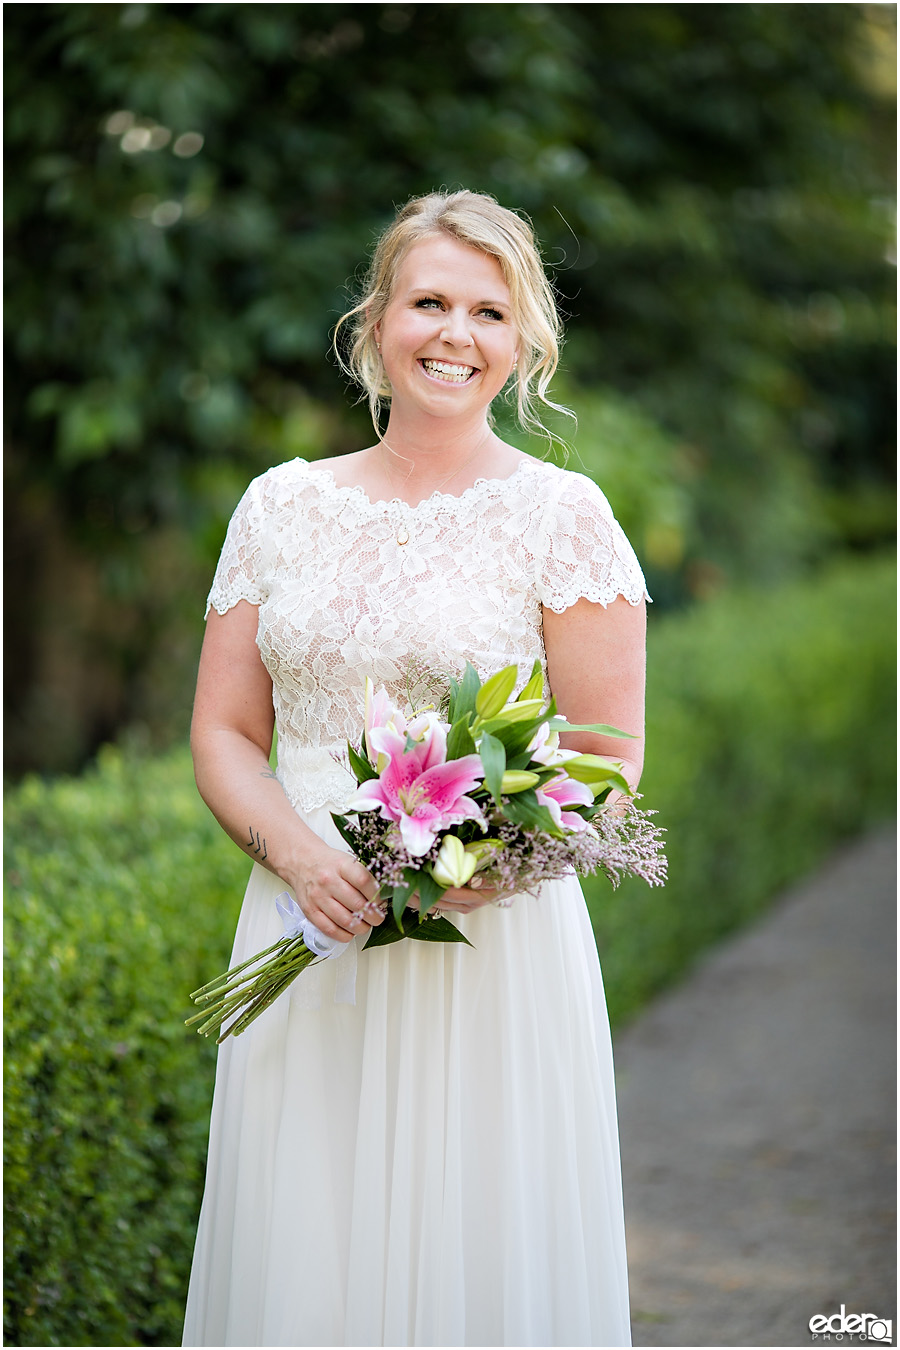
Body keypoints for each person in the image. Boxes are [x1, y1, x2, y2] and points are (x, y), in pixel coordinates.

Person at [182, 189, 648, 1348]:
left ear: (525, 341)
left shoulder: (560, 516)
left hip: (485, 949)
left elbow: (607, 754)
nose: (455, 333)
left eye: (489, 311)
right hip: (304, 926)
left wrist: (480, 861)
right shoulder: (280, 506)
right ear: (375, 321)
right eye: (428, 301)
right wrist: (300, 853)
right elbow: (225, 733)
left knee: (471, 1258)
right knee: (307, 1255)